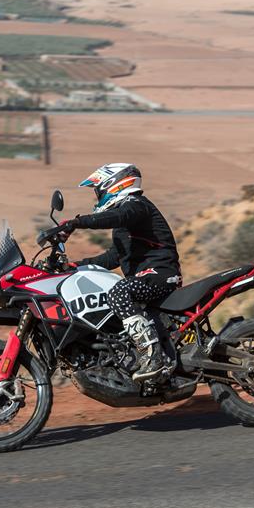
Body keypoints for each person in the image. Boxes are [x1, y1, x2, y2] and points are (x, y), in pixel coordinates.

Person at [59, 163, 181, 382]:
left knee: (118, 292)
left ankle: (153, 358)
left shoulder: (136, 206)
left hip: (160, 273)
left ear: (114, 185)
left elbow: (118, 217)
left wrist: (78, 222)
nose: (98, 196)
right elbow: (115, 257)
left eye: (99, 190)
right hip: (147, 277)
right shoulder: (128, 219)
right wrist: (77, 266)